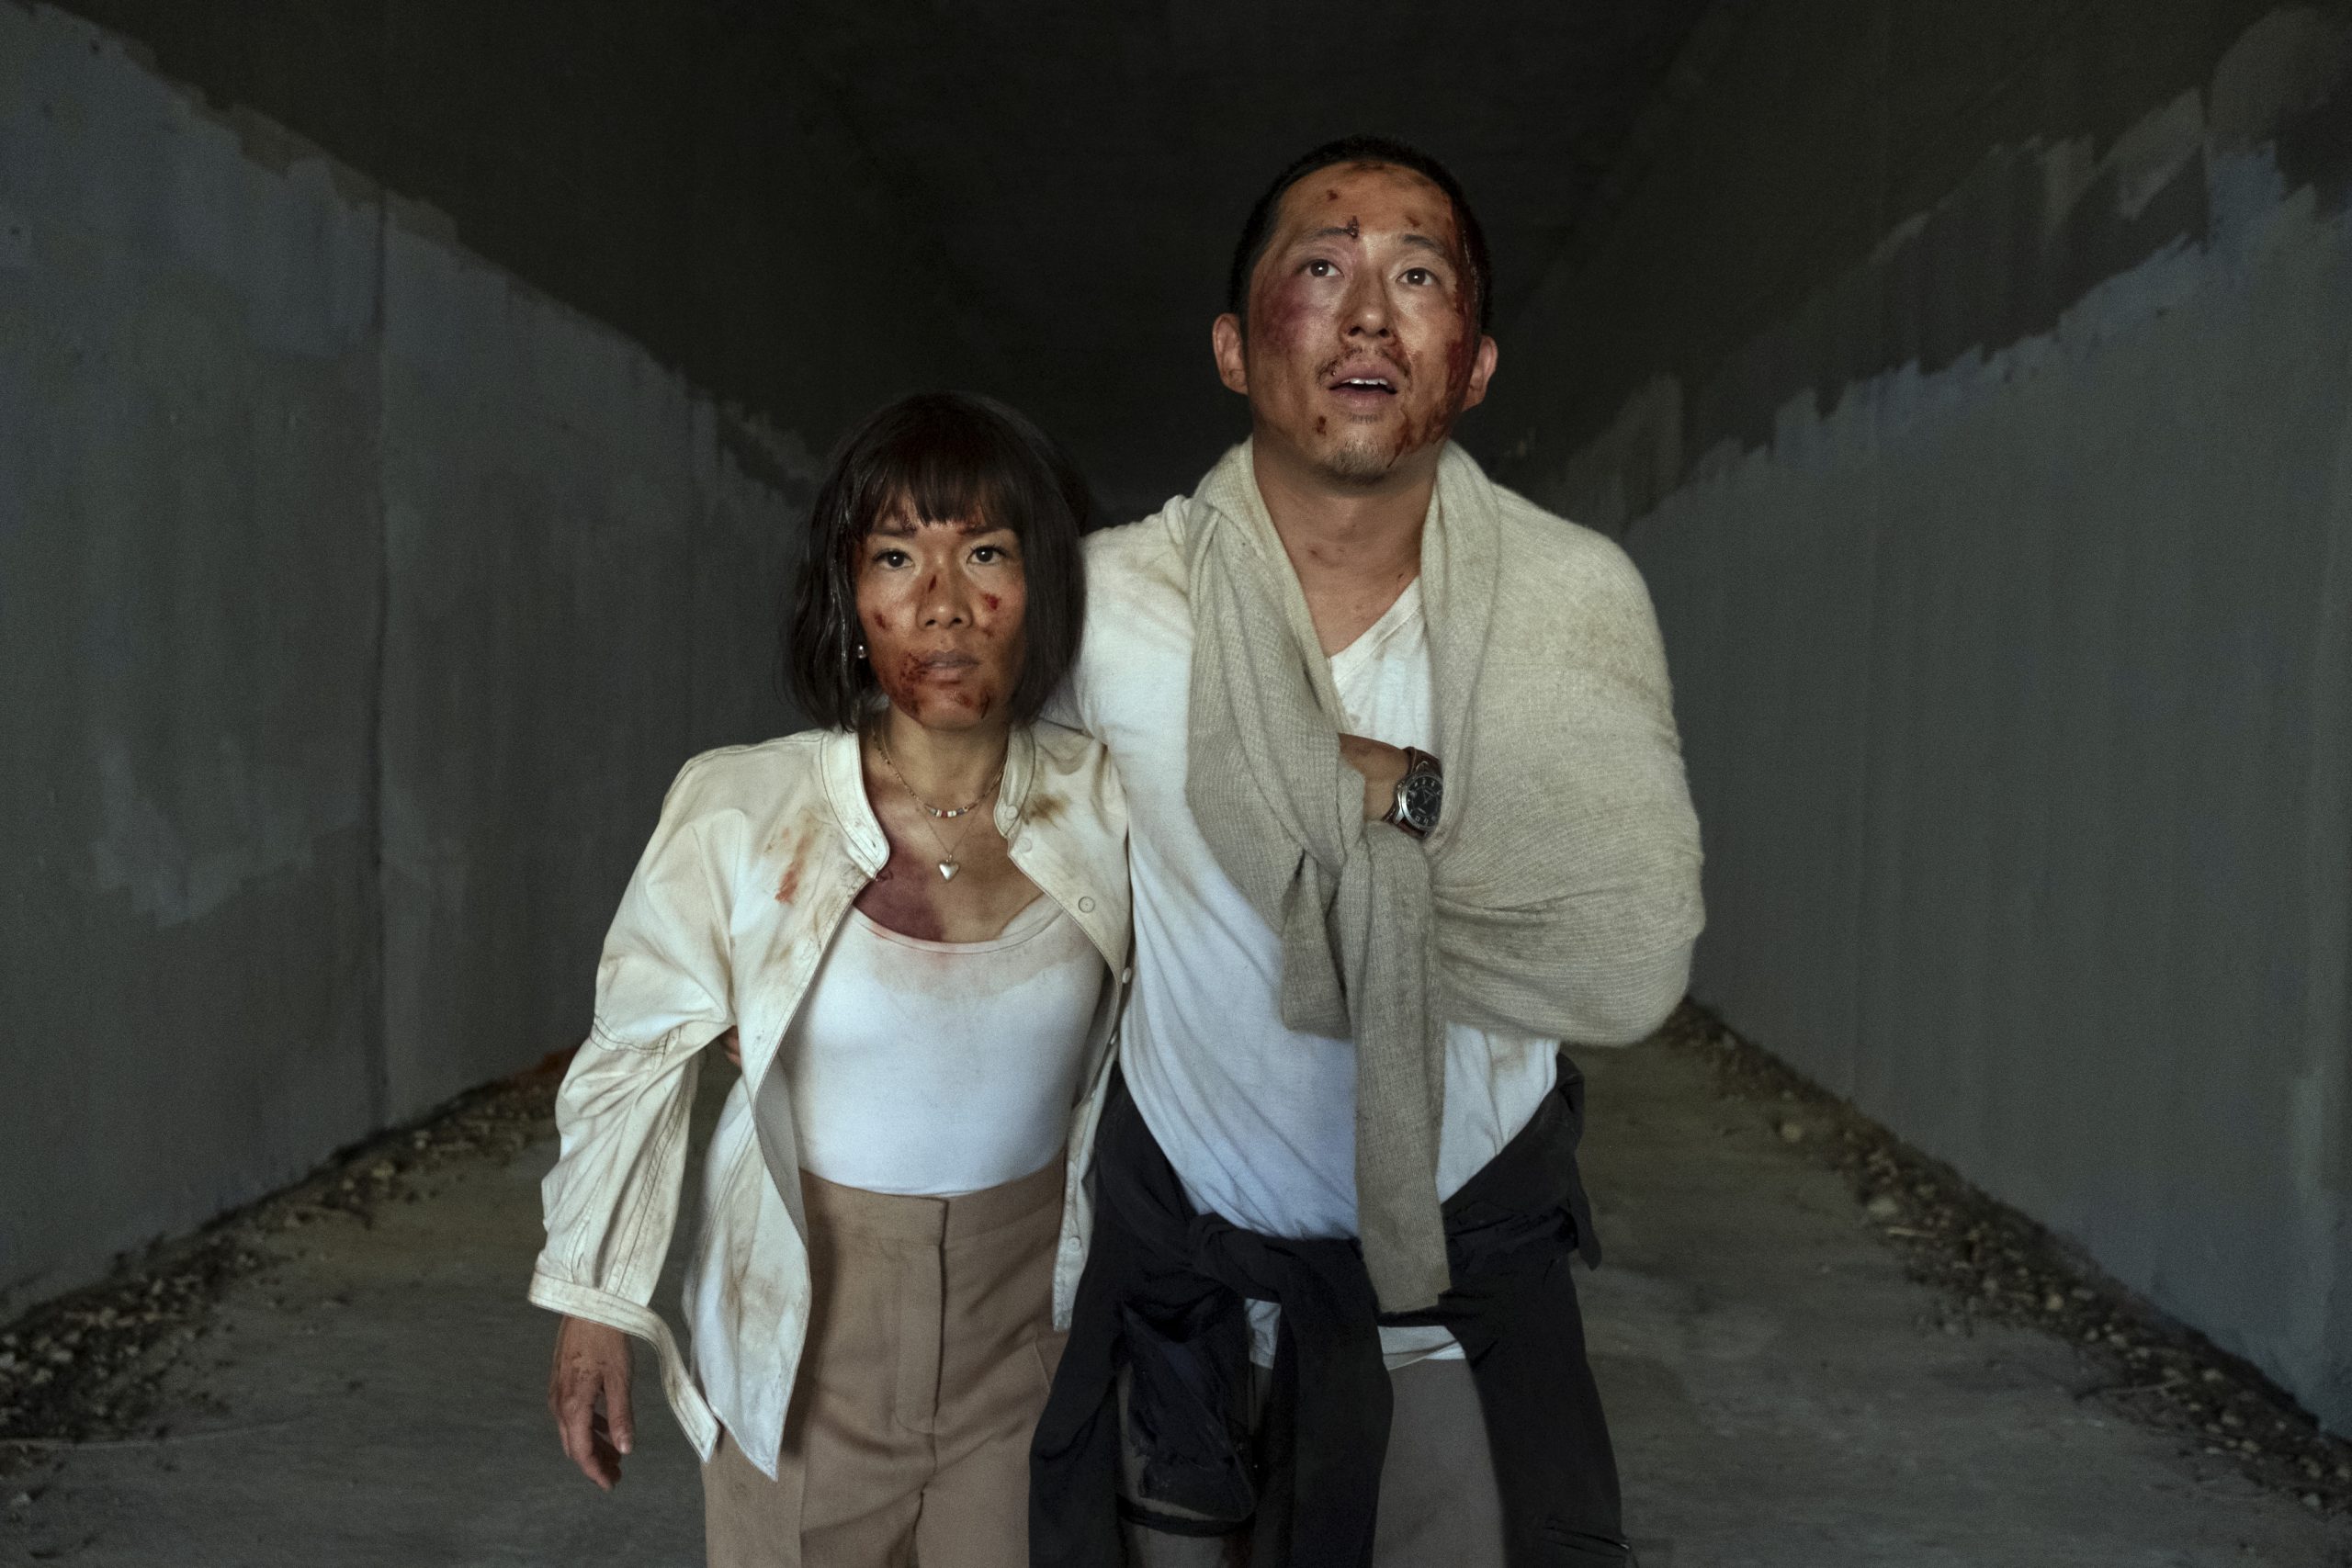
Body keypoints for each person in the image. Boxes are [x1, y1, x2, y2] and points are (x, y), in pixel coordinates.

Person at [1030, 137, 1704, 1567]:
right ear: (1234, 346)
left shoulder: (1569, 600)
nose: (1368, 317)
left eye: (1418, 278)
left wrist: (1407, 796)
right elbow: (997, 855)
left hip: (1452, 1303)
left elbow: (1628, 944)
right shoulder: (1109, 600)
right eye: (1323, 268)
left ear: (1476, 364)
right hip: (1187, 1294)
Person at [530, 392, 1131, 1568]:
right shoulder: (743, 810)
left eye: (987, 554)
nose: (942, 603)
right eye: (896, 558)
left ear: (1043, 588)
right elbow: (632, 1061)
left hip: (1026, 1337)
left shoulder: (1108, 804)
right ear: (849, 599)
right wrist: (594, 1305)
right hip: (802, 1341)